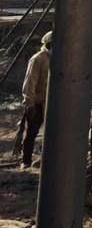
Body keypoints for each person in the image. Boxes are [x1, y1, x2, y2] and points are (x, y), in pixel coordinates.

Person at [14, 31, 52, 168]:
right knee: (31, 133)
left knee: (51, 134)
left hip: (50, 103)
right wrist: (29, 102)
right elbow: (30, 81)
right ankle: (26, 160)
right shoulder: (38, 59)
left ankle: (46, 161)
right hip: (36, 103)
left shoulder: (56, 59)